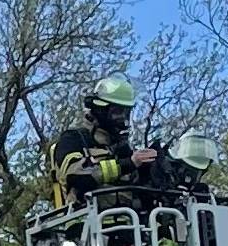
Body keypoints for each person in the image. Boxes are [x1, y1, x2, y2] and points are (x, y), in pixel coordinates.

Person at [48, 75, 159, 208]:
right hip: (87, 219)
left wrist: (149, 169)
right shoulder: (73, 139)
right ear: (99, 110)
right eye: (117, 111)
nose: (122, 117)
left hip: (129, 218)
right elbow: (76, 176)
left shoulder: (121, 148)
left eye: (126, 112)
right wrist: (127, 164)